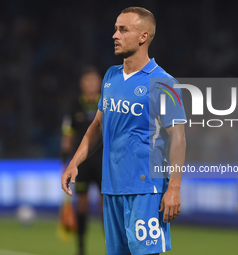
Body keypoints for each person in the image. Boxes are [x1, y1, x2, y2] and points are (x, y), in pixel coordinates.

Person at [62, 6, 186, 255]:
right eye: (115, 29)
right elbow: (97, 125)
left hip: (145, 189)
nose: (114, 35)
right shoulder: (110, 77)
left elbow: (178, 138)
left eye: (123, 30)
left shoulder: (164, 83)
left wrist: (174, 188)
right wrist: (75, 161)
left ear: (143, 37)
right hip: (112, 188)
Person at [61, 67, 103, 255]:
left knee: (107, 206)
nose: (91, 85)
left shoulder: (106, 103)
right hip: (83, 164)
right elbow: (67, 135)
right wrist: (66, 161)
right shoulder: (74, 106)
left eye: (94, 81)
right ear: (82, 84)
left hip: (103, 161)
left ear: (100, 83)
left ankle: (111, 246)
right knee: (83, 204)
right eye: (88, 81)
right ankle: (80, 247)